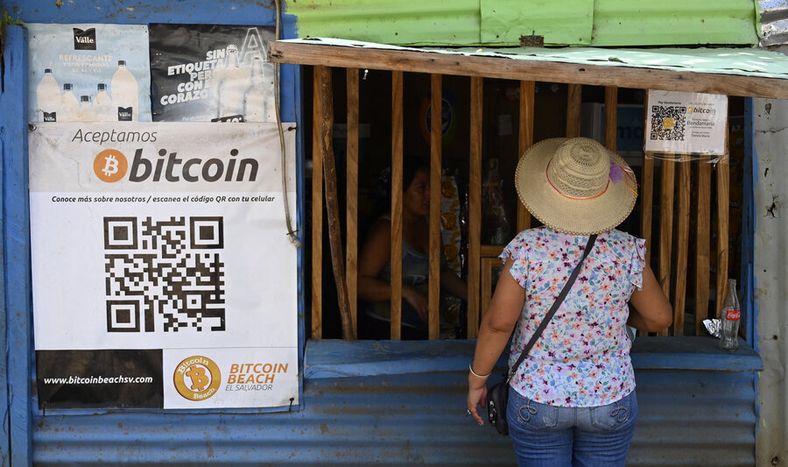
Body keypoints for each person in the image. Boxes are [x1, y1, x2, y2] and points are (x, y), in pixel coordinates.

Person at [466, 138, 672, 466]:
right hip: (610, 397)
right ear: (605, 194)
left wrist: (477, 379)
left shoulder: (528, 248)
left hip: (538, 395)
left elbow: (499, 323)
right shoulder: (627, 249)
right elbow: (660, 318)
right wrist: (618, 317)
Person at [358, 156, 467, 339]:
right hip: (384, 333)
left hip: (422, 332)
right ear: (400, 190)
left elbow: (441, 272)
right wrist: (406, 292)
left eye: (431, 188)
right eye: (421, 188)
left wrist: (477, 300)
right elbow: (360, 285)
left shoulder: (429, 227)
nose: (429, 195)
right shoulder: (386, 231)